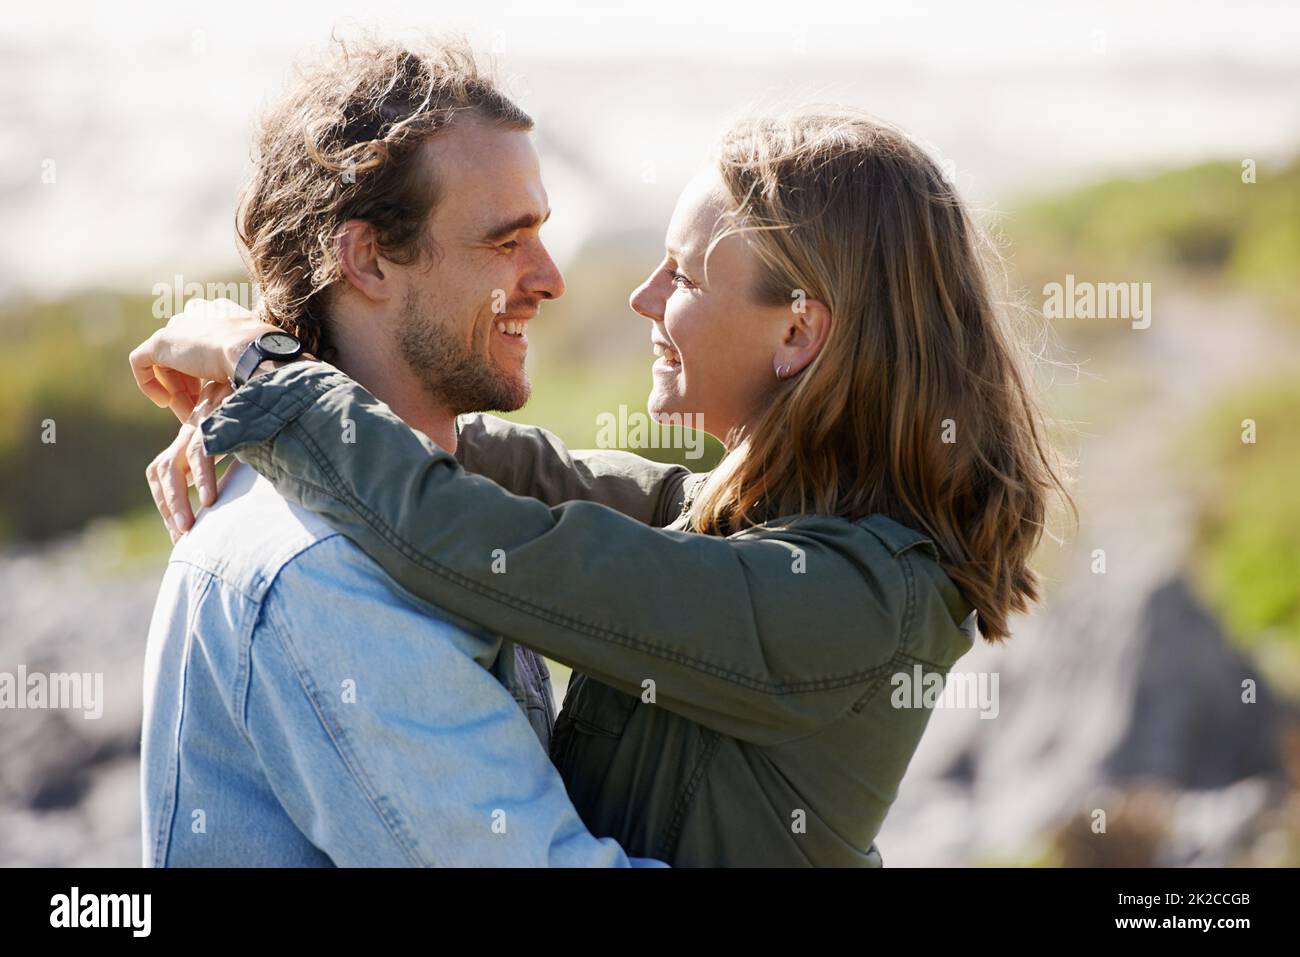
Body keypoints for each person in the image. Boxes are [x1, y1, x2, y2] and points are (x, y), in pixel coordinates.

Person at [136, 88, 1073, 867]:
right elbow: (527, 471)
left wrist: (270, 375)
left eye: (685, 275)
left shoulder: (835, 597)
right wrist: (272, 402)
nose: (641, 298)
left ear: (798, 332)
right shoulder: (750, 522)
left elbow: (486, 539)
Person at [133, 35, 664, 867]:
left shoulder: (417, 498)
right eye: (506, 240)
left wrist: (255, 366)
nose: (551, 276)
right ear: (369, 258)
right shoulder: (324, 571)